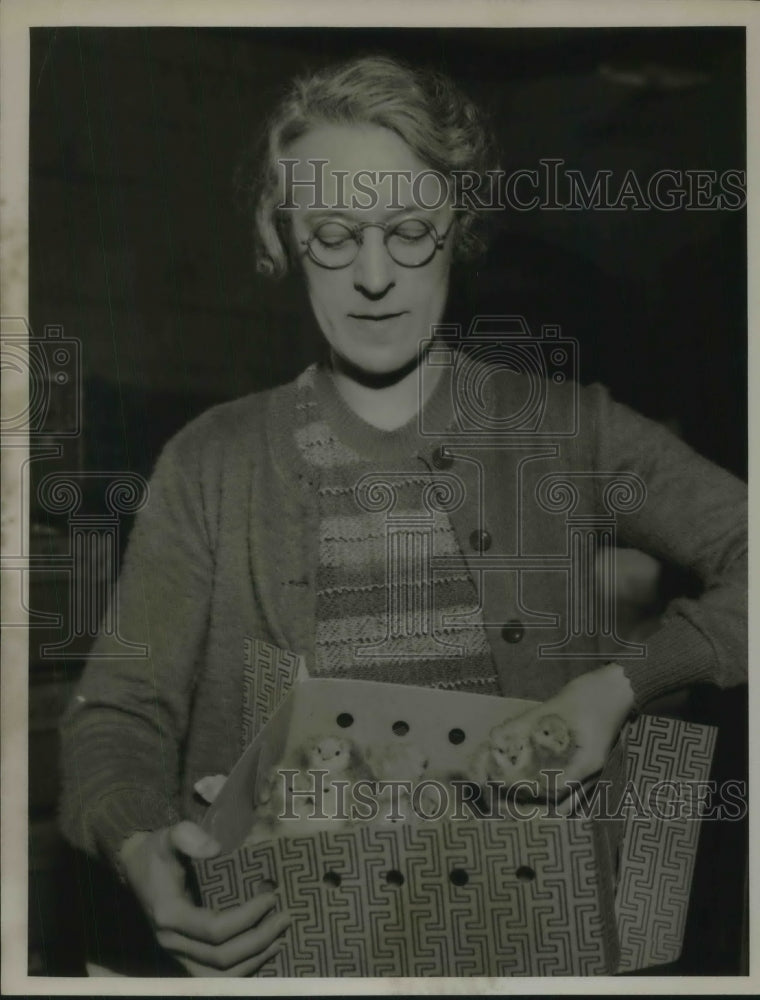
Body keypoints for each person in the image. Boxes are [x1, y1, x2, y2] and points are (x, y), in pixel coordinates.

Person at [58, 54, 747, 977]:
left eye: (410, 230)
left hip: (542, 945)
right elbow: (117, 712)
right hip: (297, 955)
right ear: (283, 236)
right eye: (336, 233)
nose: (374, 275)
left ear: (456, 227)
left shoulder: (566, 429)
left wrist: (619, 688)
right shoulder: (211, 460)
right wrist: (141, 848)